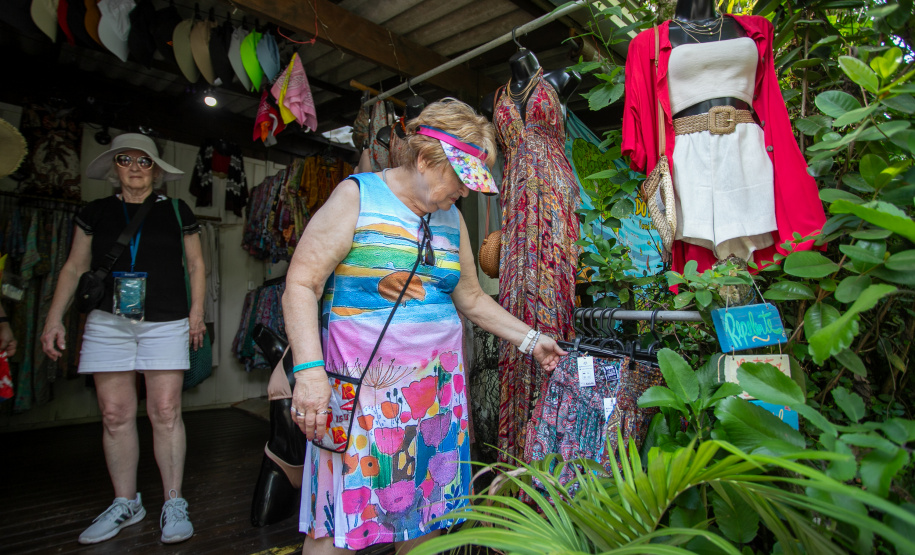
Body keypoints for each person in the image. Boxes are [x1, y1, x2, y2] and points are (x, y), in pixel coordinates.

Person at [283, 99, 567, 554]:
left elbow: (471, 298)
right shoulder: (357, 197)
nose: (466, 192)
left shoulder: (451, 219)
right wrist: (309, 373)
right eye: (461, 178)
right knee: (336, 524)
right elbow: (301, 285)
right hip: (363, 397)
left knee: (425, 520)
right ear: (424, 159)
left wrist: (532, 341)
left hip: (436, 398)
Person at [40, 133, 205, 545]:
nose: (134, 167)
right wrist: (53, 319)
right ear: (114, 166)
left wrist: (197, 314)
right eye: (125, 159)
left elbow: (196, 265)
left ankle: (173, 501)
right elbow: (74, 266)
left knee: (165, 410)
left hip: (166, 320)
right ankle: (126, 502)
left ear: (156, 170)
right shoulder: (95, 211)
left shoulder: (177, 210)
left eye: (144, 161)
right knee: (114, 414)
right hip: (108, 322)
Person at [622, 0, 826, 276]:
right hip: (689, 157)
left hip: (748, 149)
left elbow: (768, 98)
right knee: (704, 276)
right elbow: (640, 122)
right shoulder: (647, 43)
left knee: (759, 265)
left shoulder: (756, 29)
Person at [482, 47, 582, 464]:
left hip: (554, 198)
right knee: (517, 297)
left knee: (552, 295)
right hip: (516, 203)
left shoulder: (559, 80)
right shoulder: (496, 97)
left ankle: (556, 435)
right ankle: (518, 448)